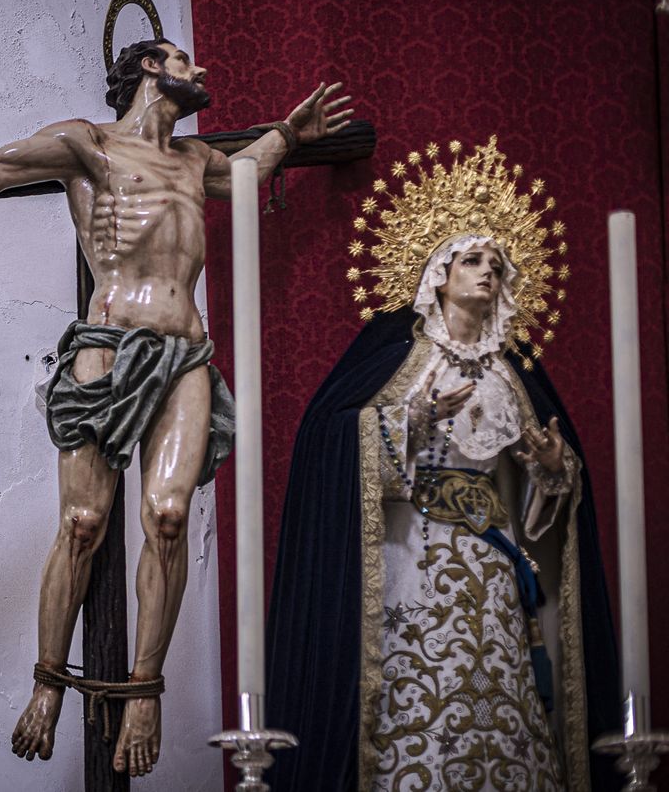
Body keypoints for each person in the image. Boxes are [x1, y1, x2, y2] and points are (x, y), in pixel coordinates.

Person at [0, 38, 352, 775]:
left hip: (184, 354)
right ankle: (48, 683)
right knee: (82, 524)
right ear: (148, 67)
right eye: (183, 60)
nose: (200, 70)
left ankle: (145, 690)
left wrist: (289, 136)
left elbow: (251, 172)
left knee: (168, 518)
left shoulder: (197, 161)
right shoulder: (89, 144)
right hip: (107, 347)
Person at [265, 140, 621, 791]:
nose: (488, 271)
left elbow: (550, 504)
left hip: (494, 565)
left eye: (497, 263)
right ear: (438, 273)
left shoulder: (514, 375)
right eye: (474, 259)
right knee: (414, 703)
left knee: (499, 701)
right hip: (411, 561)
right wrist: (413, 420)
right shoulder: (395, 360)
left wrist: (552, 469)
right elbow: (330, 440)